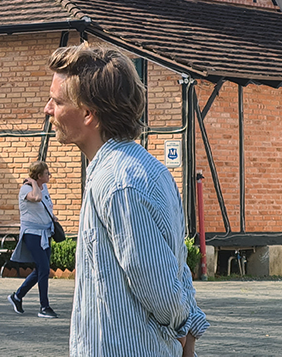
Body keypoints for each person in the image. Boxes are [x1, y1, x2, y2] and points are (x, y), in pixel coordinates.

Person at [43, 43, 209, 357]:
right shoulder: (146, 169)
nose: (48, 109)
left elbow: (160, 289)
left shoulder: (118, 183)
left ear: (89, 114)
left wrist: (186, 329)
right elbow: (178, 267)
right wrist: (189, 328)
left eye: (57, 101)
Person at [8, 160, 59, 318]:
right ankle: (44, 306)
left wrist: (53, 218)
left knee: (41, 269)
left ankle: (17, 296)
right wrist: (33, 183)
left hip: (45, 232)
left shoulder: (44, 188)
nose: (49, 175)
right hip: (32, 234)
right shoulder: (26, 189)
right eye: (46, 173)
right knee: (43, 268)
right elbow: (36, 198)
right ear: (38, 175)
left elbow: (45, 205)